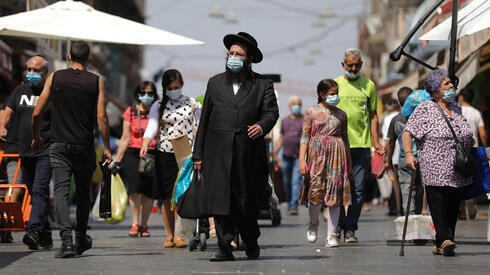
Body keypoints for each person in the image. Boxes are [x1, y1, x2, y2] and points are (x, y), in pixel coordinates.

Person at [193, 32, 279, 261]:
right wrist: (198, 154)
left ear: (248, 58)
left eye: (238, 54)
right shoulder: (215, 82)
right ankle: (224, 246)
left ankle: (251, 241)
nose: (232, 57)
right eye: (230, 53)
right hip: (217, 152)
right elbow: (204, 122)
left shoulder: (262, 85)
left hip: (247, 153)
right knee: (220, 200)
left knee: (246, 201)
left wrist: (261, 127)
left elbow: (272, 113)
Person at [32, 41, 112, 258]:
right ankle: (80, 238)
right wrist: (106, 147)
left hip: (58, 144)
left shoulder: (55, 77)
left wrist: (36, 136)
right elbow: (102, 118)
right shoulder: (96, 81)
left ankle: (66, 240)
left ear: (68, 56)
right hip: (84, 146)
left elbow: (37, 112)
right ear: (90, 59)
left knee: (61, 191)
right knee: (84, 193)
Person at [403, 69, 474, 257]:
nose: (452, 86)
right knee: (439, 203)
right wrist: (409, 154)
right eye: (447, 84)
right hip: (435, 167)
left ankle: (441, 242)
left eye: (451, 83)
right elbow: (407, 132)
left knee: (453, 206)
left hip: (458, 168)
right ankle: (445, 240)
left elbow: (465, 132)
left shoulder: (456, 107)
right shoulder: (425, 109)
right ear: (435, 90)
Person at [140, 69, 201, 248]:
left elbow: (199, 126)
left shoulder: (192, 104)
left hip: (186, 156)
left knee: (181, 195)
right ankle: (169, 235)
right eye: (170, 87)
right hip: (164, 154)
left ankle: (180, 234)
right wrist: (145, 143)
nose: (174, 90)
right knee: (166, 197)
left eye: (177, 87)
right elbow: (151, 127)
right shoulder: (158, 105)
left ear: (182, 85)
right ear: (165, 88)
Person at [0, 55, 53, 250]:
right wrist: (3, 126)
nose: (31, 73)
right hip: (24, 150)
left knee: (39, 190)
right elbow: (8, 110)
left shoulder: (51, 93)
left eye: (36, 71)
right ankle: (46, 236)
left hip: (45, 150)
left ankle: (33, 229)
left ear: (45, 73)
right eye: (29, 69)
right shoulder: (20, 90)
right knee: (34, 192)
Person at [335, 48, 383, 243]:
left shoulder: (369, 86)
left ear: (361, 65)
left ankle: (350, 228)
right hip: (338, 146)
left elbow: (373, 115)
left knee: (359, 190)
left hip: (361, 146)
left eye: (356, 65)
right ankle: (337, 224)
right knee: (337, 188)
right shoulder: (335, 85)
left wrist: (376, 141)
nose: (353, 68)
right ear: (343, 65)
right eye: (349, 65)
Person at [299, 79, 352, 248]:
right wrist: (302, 160)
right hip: (316, 157)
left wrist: (349, 165)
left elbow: (346, 139)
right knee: (315, 193)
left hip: (337, 156)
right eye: (332, 94)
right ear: (322, 94)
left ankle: (332, 234)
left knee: (335, 194)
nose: (335, 97)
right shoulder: (311, 112)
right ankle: (313, 224)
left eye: (337, 93)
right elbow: (305, 137)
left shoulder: (342, 114)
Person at [111, 81, 158, 237]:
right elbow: (125, 138)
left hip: (153, 153)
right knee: (134, 189)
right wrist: (117, 160)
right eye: (143, 93)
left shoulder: (158, 112)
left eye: (150, 93)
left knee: (149, 191)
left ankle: (144, 225)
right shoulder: (130, 112)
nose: (146, 96)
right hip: (132, 153)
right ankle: (135, 223)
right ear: (137, 94)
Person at [386, 88, 428, 215]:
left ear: (399, 102)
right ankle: (417, 217)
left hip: (404, 160)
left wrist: (388, 162)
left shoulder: (396, 119)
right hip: (422, 159)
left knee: (406, 190)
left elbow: (390, 143)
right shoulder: (422, 117)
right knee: (420, 191)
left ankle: (409, 218)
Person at [272, 95, 304, 216]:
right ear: (290, 106)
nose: (296, 106)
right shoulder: (285, 121)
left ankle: (293, 205)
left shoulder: (304, 120)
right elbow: (281, 138)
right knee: (286, 181)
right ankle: (290, 201)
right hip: (286, 156)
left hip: (298, 157)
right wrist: (274, 153)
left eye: (298, 104)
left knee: (296, 181)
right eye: (294, 104)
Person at [457, 86, 485, 220]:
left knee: (460, 178)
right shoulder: (476, 113)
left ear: (461, 97)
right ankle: (472, 200)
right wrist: (484, 147)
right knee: (472, 177)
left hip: (459, 150)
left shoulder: (456, 111)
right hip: (474, 149)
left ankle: (461, 210)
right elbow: (483, 134)